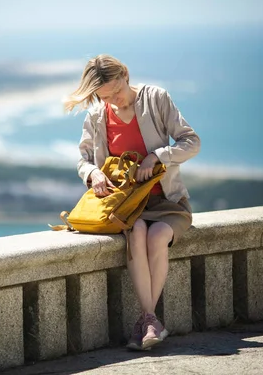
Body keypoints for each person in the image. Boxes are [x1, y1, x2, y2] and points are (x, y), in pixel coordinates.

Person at [63, 54, 201, 351]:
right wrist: (93, 174)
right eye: (105, 97)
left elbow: (191, 142)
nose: (114, 101)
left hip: (168, 202)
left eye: (117, 92)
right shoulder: (97, 116)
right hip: (127, 208)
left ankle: (147, 321)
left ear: (125, 74)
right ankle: (151, 320)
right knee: (137, 232)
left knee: (157, 235)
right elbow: (83, 160)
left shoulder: (156, 98)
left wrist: (158, 155)